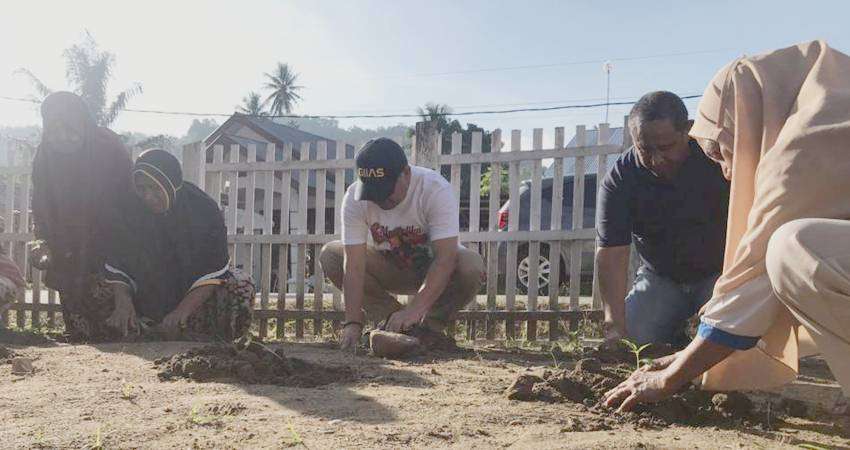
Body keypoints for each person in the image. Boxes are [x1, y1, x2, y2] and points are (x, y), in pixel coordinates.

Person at [603, 41, 850, 413]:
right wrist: (685, 348)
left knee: (792, 249)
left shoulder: (804, 150)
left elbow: (755, 277)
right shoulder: (829, 115)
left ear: (745, 114)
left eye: (721, 149)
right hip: (663, 277)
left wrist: (671, 378)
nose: (727, 169)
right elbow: (612, 249)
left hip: (713, 276)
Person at [319, 138, 484, 352]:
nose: (380, 199)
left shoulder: (434, 189)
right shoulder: (353, 199)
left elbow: (445, 259)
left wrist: (414, 310)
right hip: (389, 268)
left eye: (385, 191)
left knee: (471, 265)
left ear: (405, 173)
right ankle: (392, 325)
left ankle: (428, 329)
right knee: (331, 255)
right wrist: (352, 322)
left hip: (434, 270)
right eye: (372, 192)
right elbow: (354, 265)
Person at [596, 91, 730, 347]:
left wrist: (733, 286)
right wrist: (614, 327)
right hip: (661, 278)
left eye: (666, 147)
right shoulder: (621, 179)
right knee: (634, 340)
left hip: (721, 276)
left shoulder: (717, 162)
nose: (657, 159)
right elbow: (611, 253)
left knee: (730, 341)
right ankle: (673, 337)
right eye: (645, 149)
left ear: (688, 131)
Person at [90, 149, 254, 340]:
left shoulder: (203, 210)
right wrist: (123, 301)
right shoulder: (128, 209)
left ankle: (213, 339)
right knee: (93, 282)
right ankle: (132, 329)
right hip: (142, 295)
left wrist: (182, 312)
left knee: (242, 284)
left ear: (172, 185)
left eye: (155, 188)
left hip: (193, 297)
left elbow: (214, 270)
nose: (148, 197)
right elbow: (116, 260)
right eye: (142, 188)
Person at [30, 92, 133, 338]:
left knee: (111, 315)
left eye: (69, 128)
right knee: (75, 309)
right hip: (66, 244)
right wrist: (42, 239)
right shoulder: (45, 155)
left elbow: (129, 196)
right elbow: (41, 202)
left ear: (83, 123)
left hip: (110, 238)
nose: (62, 137)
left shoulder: (108, 147)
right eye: (54, 130)